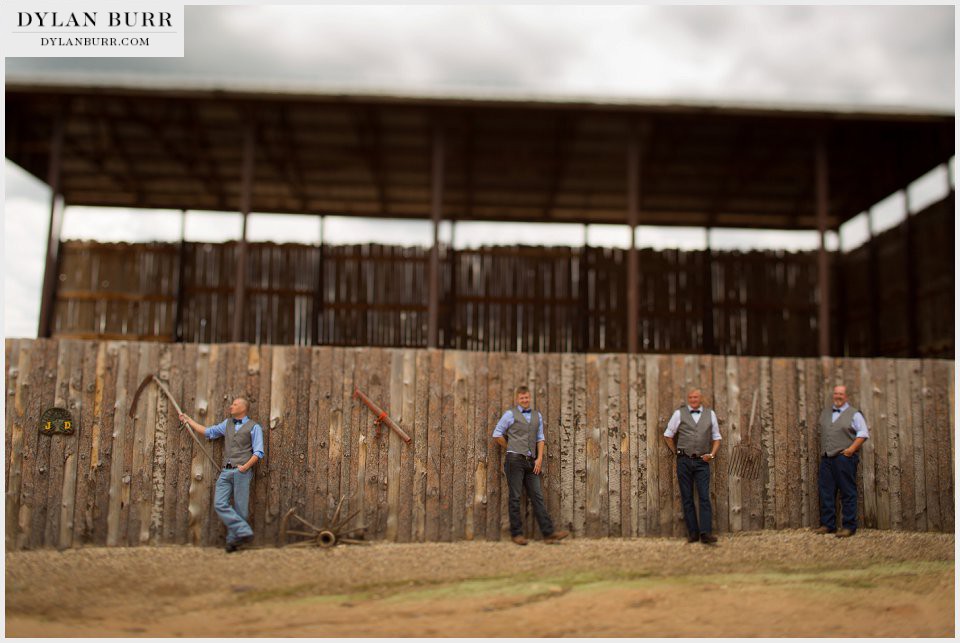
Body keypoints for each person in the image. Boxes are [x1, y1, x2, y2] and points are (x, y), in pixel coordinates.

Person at [180, 397, 264, 552]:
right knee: (219, 504)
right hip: (225, 471)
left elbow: (258, 452)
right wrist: (189, 421)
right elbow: (208, 431)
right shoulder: (227, 424)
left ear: (243, 408)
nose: (231, 406)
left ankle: (233, 542)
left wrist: (244, 468)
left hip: (242, 472)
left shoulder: (254, 427)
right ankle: (244, 531)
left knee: (241, 509)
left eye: (235, 404)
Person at [492, 386, 569, 546]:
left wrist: (539, 458)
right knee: (515, 497)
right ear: (517, 399)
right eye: (522, 398)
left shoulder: (536, 415)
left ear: (529, 398)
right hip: (514, 461)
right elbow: (497, 434)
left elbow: (540, 438)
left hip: (531, 462)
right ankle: (517, 534)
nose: (525, 400)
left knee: (537, 496)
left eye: (527, 397)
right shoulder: (509, 414)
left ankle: (549, 534)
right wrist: (511, 447)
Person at [663, 388, 721, 545]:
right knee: (687, 497)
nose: (693, 399)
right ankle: (693, 534)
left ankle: (706, 534)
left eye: (696, 397)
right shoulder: (679, 414)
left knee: (704, 497)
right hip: (684, 461)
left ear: (701, 398)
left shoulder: (711, 414)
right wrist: (676, 452)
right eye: (691, 397)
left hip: (703, 462)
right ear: (688, 399)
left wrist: (712, 454)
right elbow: (668, 435)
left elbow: (716, 437)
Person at [814, 385, 869, 538]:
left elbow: (863, 434)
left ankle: (849, 527)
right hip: (826, 459)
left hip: (844, 459)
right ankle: (828, 525)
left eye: (841, 394)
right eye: (836, 393)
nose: (838, 396)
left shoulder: (854, 414)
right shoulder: (825, 413)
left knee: (848, 493)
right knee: (826, 493)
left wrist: (851, 450)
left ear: (846, 397)